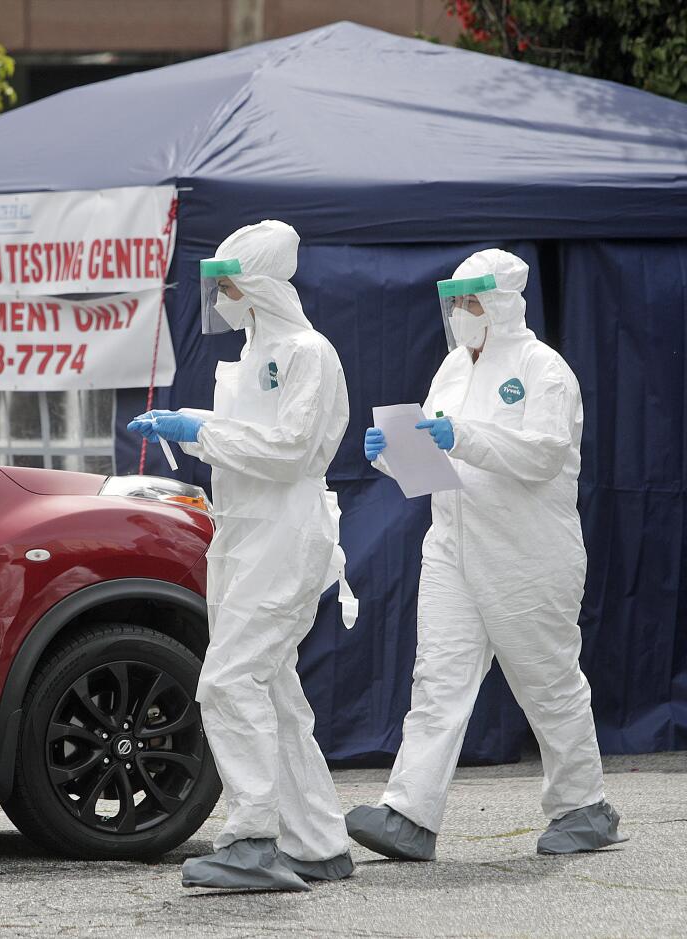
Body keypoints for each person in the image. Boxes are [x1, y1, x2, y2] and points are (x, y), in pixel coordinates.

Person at [349, 248, 627, 860]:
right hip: (452, 545)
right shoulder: (451, 368)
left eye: (472, 301)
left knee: (547, 682)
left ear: (501, 303)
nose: (461, 312)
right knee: (437, 682)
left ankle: (584, 806)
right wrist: (393, 453)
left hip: (529, 553)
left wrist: (463, 437)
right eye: (457, 301)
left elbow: (543, 456)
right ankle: (409, 814)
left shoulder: (542, 369)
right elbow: (434, 468)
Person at [129, 220, 358, 892]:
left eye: (227, 283)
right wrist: (201, 431)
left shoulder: (307, 352)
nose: (220, 296)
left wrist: (200, 430)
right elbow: (252, 437)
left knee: (229, 682)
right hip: (245, 534)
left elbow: (290, 450)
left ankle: (253, 837)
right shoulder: (256, 354)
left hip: (285, 536)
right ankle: (317, 840)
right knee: (276, 693)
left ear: (255, 284)